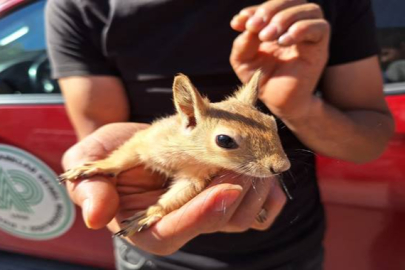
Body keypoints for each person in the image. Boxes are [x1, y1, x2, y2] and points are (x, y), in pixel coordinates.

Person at [46, 0, 394, 269]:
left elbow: (371, 138)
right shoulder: (80, 8)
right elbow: (129, 147)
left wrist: (297, 106)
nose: (281, 163)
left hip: (290, 246)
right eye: (226, 141)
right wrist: (107, 170)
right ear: (189, 117)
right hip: (157, 259)